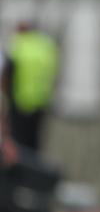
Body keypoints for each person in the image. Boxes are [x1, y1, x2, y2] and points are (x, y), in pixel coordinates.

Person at [1, 22, 58, 153]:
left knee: (19, 143)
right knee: (34, 141)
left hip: (20, 102)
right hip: (40, 102)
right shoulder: (45, 47)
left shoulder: (18, 46)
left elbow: (7, 75)